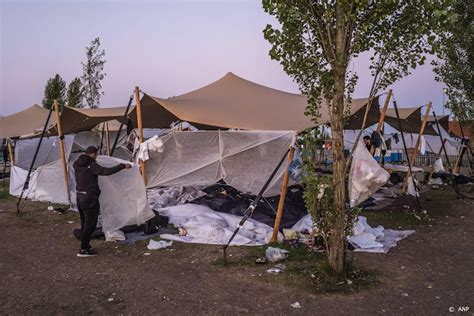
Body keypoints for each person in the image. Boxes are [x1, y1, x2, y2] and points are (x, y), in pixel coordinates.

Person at [73, 146, 131, 257]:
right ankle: (83, 249)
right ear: (94, 154)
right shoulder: (92, 165)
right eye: (97, 155)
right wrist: (122, 166)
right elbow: (106, 171)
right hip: (90, 198)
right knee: (91, 225)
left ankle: (85, 243)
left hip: (79, 196)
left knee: (84, 222)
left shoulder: (76, 163)